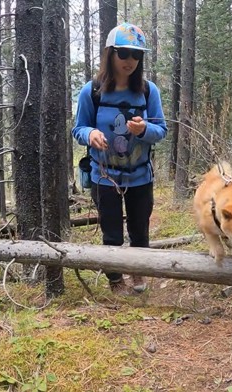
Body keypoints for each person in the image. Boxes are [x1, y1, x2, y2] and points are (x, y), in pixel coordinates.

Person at [72, 22, 167, 295]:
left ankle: (140, 272)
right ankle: (116, 280)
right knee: (111, 232)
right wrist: (90, 134)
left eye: (136, 55)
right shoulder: (92, 91)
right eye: (123, 53)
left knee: (140, 229)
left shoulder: (149, 92)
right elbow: (78, 128)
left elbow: (161, 130)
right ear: (110, 54)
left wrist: (144, 129)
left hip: (140, 175)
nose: (130, 61)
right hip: (104, 175)